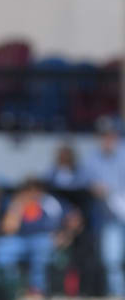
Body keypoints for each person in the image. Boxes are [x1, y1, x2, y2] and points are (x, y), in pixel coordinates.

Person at [85, 117, 125, 297]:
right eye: (104, 136)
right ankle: (117, 294)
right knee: (112, 259)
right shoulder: (93, 159)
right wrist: (94, 187)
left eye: (111, 135)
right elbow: (86, 182)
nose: (108, 139)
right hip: (110, 217)